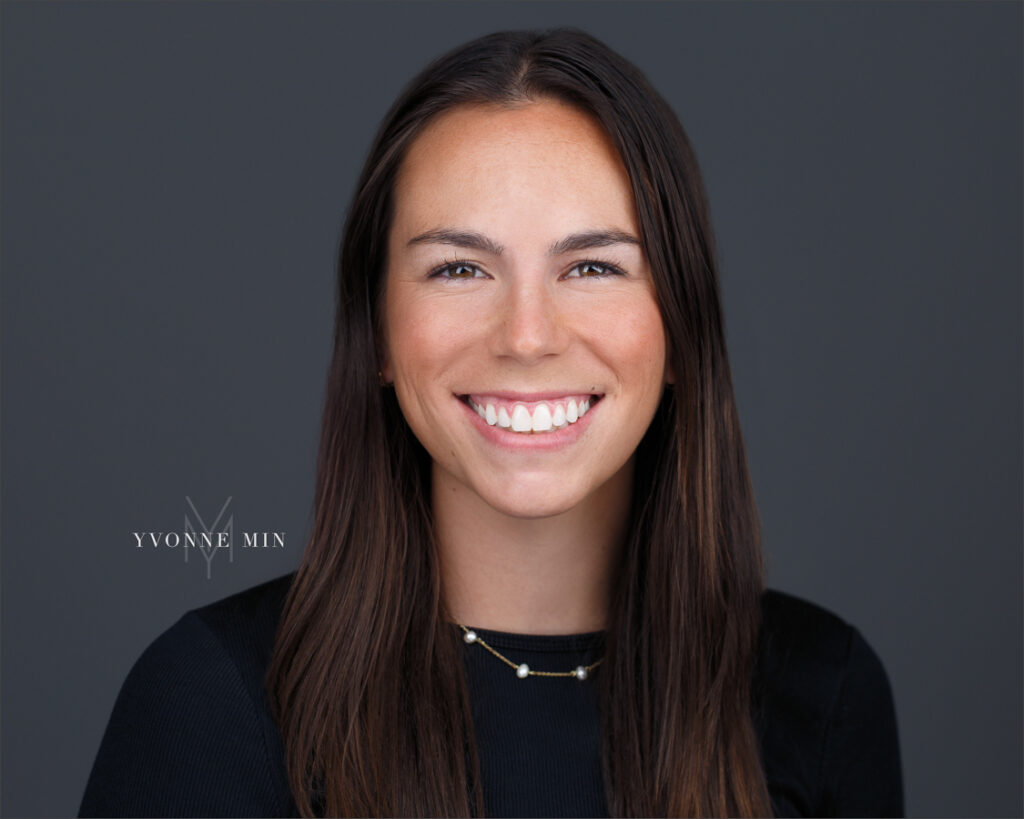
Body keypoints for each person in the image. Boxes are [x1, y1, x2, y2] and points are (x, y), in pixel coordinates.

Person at [79, 28, 903, 818]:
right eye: (460, 267)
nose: (527, 335)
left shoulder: (822, 694)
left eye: (592, 266)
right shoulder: (212, 703)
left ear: (682, 328)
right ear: (380, 334)